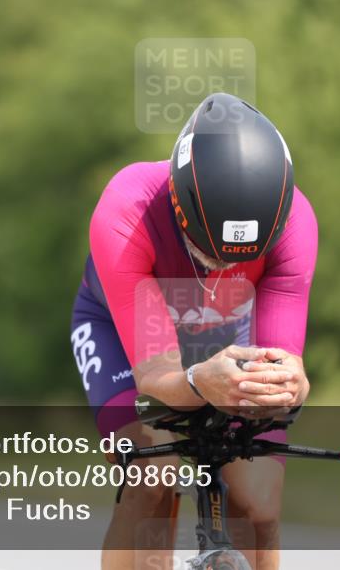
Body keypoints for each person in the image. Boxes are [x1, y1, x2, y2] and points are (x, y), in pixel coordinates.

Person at [70, 92, 317, 570]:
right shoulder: (127, 209)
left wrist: (291, 385)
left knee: (259, 506)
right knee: (152, 481)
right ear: (179, 206)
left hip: (229, 333)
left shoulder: (296, 223)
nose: (223, 266)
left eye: (240, 258)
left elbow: (287, 362)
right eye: (208, 251)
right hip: (122, 336)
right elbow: (157, 374)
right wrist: (199, 381)